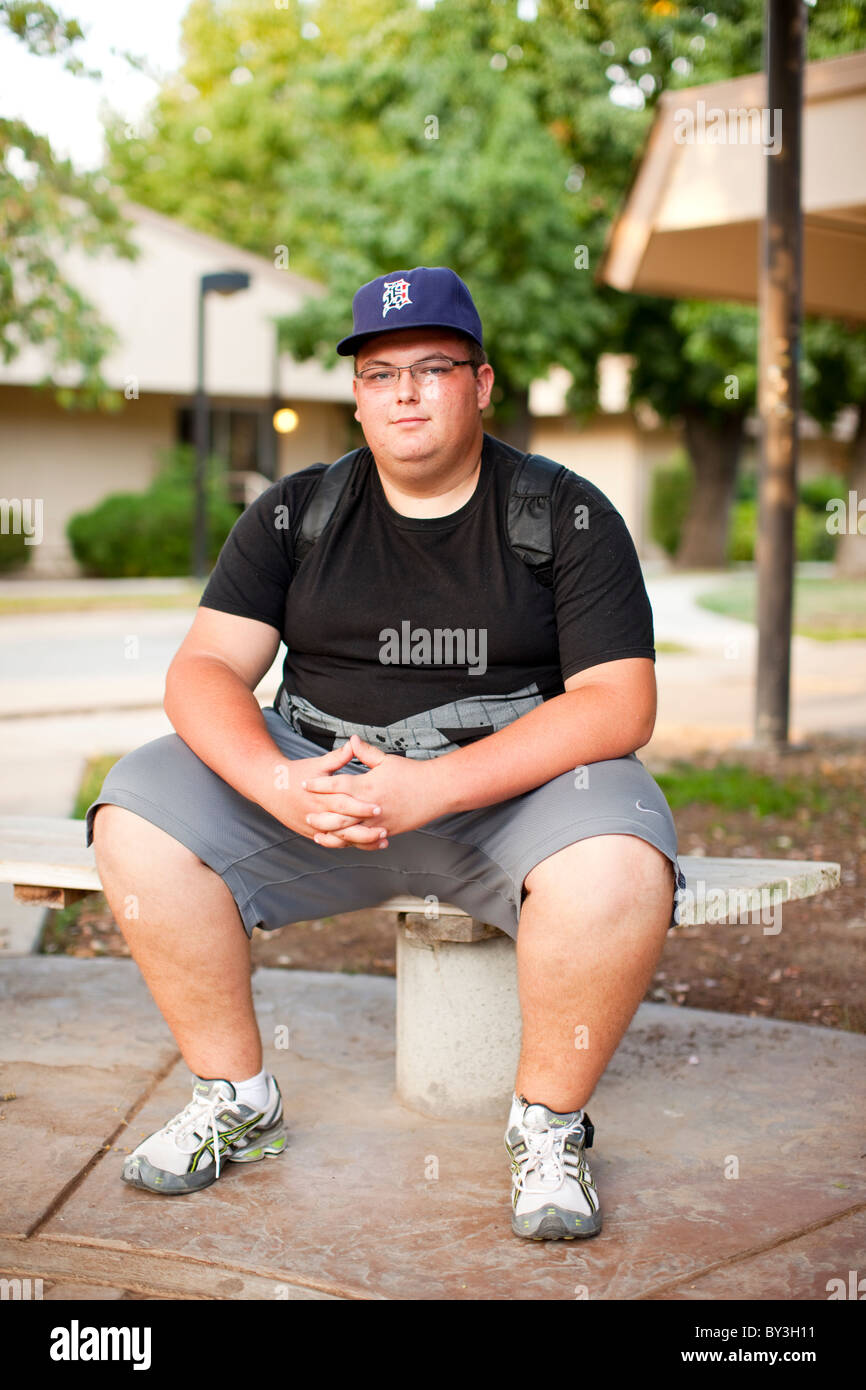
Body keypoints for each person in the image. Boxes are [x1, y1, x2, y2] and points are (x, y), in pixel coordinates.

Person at [86, 265, 685, 1241]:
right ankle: (235, 1094)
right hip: (321, 787)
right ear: (356, 393)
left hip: (507, 794)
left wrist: (437, 784)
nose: (403, 390)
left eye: (432, 367)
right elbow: (202, 669)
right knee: (137, 804)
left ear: (481, 384)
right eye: (378, 371)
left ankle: (547, 1126)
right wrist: (274, 780)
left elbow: (619, 703)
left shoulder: (564, 515)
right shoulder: (295, 511)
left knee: (620, 858)